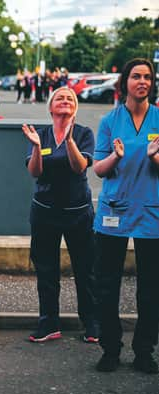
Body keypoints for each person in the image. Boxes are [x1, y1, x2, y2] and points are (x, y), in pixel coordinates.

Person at [92, 58, 159, 374]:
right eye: (136, 76)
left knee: (151, 288)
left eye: (147, 76)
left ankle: (145, 350)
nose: (142, 81)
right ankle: (110, 349)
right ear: (125, 82)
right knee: (106, 285)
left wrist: (155, 158)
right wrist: (115, 157)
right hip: (114, 212)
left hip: (151, 212)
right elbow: (99, 170)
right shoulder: (110, 120)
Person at [22, 86, 99, 344]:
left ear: (75, 108)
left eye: (70, 98)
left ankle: (91, 323)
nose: (65, 101)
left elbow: (80, 167)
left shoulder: (84, 133)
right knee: (46, 270)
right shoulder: (40, 134)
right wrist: (35, 147)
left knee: (85, 269)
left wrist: (68, 141)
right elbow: (35, 172)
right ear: (51, 107)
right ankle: (49, 323)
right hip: (45, 212)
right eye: (60, 98)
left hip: (78, 212)